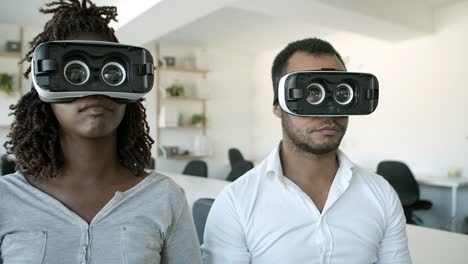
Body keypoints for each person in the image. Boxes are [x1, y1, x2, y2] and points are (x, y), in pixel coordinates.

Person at [0, 1, 202, 263]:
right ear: (44, 87)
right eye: (74, 72)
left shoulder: (165, 197)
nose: (96, 90)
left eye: (112, 73)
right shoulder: (6, 198)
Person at [202, 38, 411, 263]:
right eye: (312, 94)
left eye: (341, 94)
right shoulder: (236, 203)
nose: (328, 113)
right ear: (277, 107)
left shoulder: (381, 194)